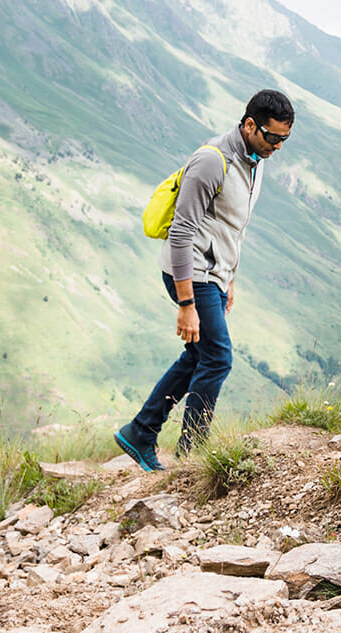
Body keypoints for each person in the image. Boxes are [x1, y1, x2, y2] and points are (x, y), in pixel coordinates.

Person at [114, 89, 295, 471]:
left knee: (199, 356)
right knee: (218, 358)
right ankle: (192, 454)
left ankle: (140, 430)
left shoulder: (253, 159)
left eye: (285, 140)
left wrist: (229, 278)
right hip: (190, 274)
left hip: (213, 275)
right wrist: (186, 304)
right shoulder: (212, 162)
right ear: (250, 125)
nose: (278, 147)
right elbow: (181, 233)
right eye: (273, 137)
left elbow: (232, 227)